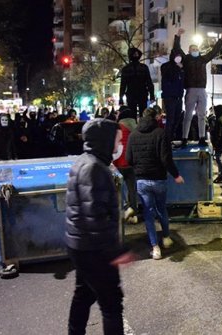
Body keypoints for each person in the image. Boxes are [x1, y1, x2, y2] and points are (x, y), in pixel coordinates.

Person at [64, 118, 135, 335]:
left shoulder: (85, 161)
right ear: (105, 141)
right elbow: (94, 216)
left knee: (84, 294)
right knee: (112, 304)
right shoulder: (94, 168)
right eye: (117, 140)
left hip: (80, 245)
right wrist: (116, 251)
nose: (119, 145)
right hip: (94, 250)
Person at [126, 107, 184, 260]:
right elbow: (166, 159)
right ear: (156, 118)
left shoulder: (133, 135)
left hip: (142, 181)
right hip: (159, 179)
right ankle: (166, 238)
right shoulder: (160, 133)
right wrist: (176, 175)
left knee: (148, 213)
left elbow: (129, 159)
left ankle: (155, 248)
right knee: (161, 210)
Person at [173, 28, 222, 147]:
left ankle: (202, 137)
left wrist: (221, 40)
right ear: (189, 50)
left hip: (202, 90)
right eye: (193, 49)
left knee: (202, 115)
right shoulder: (186, 59)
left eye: (196, 49)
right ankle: (184, 137)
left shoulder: (203, 59)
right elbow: (177, 48)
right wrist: (178, 36)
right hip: (190, 89)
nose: (195, 50)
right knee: (188, 115)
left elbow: (213, 52)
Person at [113, 107, 139, 223]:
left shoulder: (117, 128)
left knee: (119, 190)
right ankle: (134, 215)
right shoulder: (136, 129)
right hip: (131, 164)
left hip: (118, 164)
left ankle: (125, 210)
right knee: (132, 190)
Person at [119, 47, 155, 117]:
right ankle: (142, 126)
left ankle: (136, 126)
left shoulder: (126, 69)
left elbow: (123, 85)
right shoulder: (143, 67)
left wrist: (121, 98)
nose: (136, 55)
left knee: (133, 114)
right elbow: (149, 82)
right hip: (141, 93)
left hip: (133, 94)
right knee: (142, 114)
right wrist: (152, 95)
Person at [161, 48, 185, 142]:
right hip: (169, 96)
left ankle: (172, 135)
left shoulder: (181, 68)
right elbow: (169, 77)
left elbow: (182, 81)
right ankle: (168, 138)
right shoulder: (166, 66)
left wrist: (181, 69)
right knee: (170, 118)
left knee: (177, 117)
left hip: (178, 96)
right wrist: (178, 68)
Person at [209, 105, 222, 183]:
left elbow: (218, 134)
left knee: (218, 158)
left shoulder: (219, 120)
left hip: (219, 143)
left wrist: (215, 143)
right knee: (219, 158)